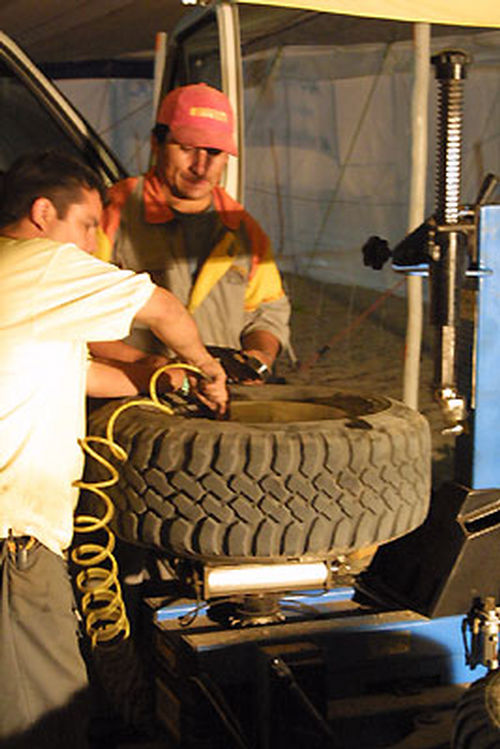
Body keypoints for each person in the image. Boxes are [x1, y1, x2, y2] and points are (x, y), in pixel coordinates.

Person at [0, 149, 227, 748]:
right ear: (44, 213)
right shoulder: (41, 265)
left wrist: (163, 378)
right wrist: (205, 367)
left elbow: (74, 371)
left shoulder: (15, 284)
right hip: (11, 547)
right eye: (86, 225)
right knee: (46, 717)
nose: (95, 241)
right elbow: (164, 308)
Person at [98, 82, 290, 378]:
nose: (200, 167)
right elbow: (75, 314)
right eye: (187, 149)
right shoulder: (111, 213)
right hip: (132, 394)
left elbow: (268, 312)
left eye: (214, 152)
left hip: (217, 397)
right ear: (156, 143)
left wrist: (259, 358)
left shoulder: (243, 229)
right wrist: (148, 366)